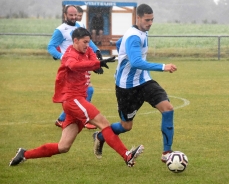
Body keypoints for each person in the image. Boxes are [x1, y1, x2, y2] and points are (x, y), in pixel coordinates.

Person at [9, 27, 144, 167]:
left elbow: (92, 58)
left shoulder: (87, 51)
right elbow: (74, 65)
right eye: (85, 42)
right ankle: (127, 155)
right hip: (73, 100)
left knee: (63, 146)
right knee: (103, 122)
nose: (88, 45)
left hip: (78, 101)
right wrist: (96, 64)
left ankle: (24, 154)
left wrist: (96, 64)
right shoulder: (69, 54)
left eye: (88, 42)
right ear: (75, 41)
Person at [92, 4, 177, 163]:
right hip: (127, 87)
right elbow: (136, 62)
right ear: (137, 18)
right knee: (126, 126)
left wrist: (122, 48)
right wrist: (163, 67)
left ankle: (167, 152)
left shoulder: (140, 31)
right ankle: (100, 136)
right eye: (147, 20)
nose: (150, 23)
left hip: (144, 81)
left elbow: (119, 45)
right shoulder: (133, 36)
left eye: (152, 19)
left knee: (168, 109)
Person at [48, 5, 103, 129]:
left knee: (84, 91)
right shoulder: (60, 30)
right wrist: (62, 57)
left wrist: (97, 50)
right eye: (71, 15)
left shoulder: (79, 26)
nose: (73, 17)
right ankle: (84, 118)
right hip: (71, 67)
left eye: (75, 15)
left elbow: (88, 40)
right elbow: (51, 47)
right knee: (85, 90)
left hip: (81, 64)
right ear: (65, 15)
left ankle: (65, 119)